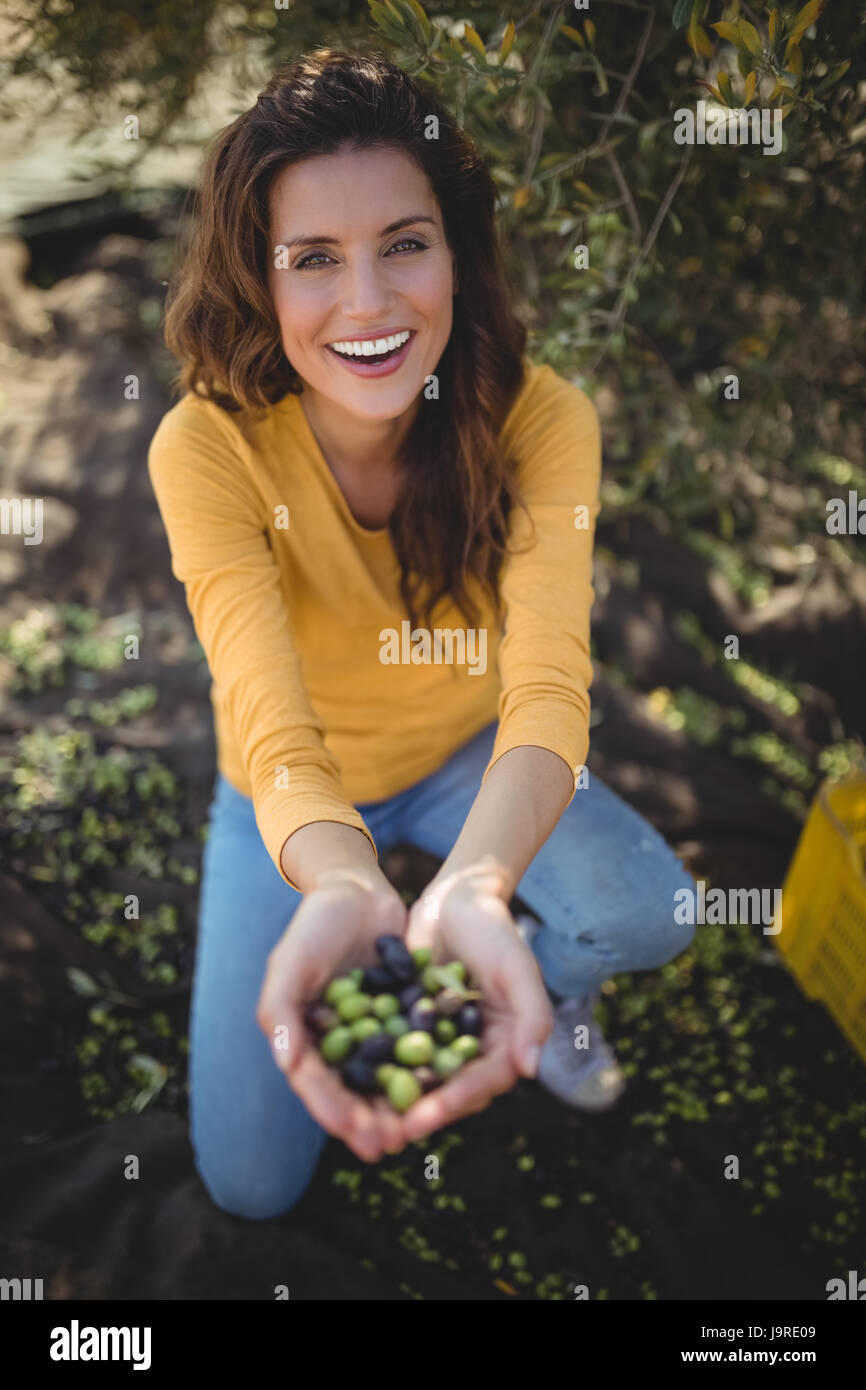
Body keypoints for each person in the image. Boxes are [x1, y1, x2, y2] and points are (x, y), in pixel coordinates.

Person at [148, 48, 696, 1221]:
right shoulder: (205, 450)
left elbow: (549, 689)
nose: (367, 302)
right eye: (312, 261)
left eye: (403, 241)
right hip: (289, 798)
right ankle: (401, 912)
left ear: (456, 250)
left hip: (467, 759)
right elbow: (268, 721)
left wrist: (481, 883)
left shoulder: (541, 420)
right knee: (247, 1187)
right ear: (259, 279)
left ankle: (544, 994)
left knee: (654, 912)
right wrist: (344, 878)